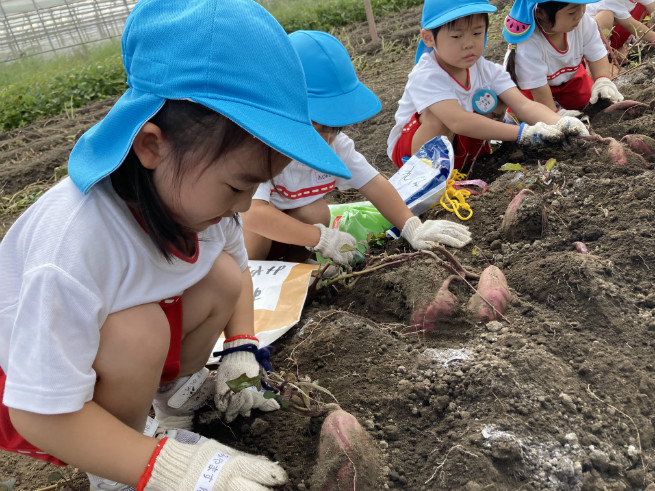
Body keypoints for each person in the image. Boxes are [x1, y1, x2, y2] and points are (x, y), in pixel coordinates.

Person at [0, 0, 354, 490]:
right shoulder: (75, 244)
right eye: (237, 187)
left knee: (224, 279)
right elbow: (37, 412)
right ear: (151, 146)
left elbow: (236, 267)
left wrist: (241, 349)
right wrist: (172, 468)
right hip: (40, 390)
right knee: (138, 332)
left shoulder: (200, 202)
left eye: (256, 187)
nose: (244, 205)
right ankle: (115, 462)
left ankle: (177, 397)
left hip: (109, 343)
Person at [242, 30, 472, 267]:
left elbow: (373, 183)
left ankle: (296, 269)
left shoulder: (334, 145)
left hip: (291, 233)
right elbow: (254, 214)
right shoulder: (261, 149)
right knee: (253, 237)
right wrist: (321, 238)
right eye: (319, 126)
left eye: (335, 128)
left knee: (316, 213)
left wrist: (411, 226)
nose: (328, 138)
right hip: (245, 237)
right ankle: (252, 274)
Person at [387, 0, 589, 171]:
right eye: (457, 36)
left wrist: (560, 123)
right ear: (429, 38)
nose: (468, 44)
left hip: (461, 147)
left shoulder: (486, 70)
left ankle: (472, 164)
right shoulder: (426, 74)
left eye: (476, 33)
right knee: (438, 117)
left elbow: (524, 106)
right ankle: (428, 177)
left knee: (497, 96)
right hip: (414, 153)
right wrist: (522, 134)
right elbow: (458, 122)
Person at [503, 0, 624, 115]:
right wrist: (555, 116)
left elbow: (596, 54)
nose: (580, 15)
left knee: (592, 103)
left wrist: (603, 80)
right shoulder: (527, 44)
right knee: (536, 119)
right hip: (532, 88)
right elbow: (539, 92)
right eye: (572, 12)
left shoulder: (583, 22)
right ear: (540, 13)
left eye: (583, 7)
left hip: (569, 79)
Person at [586, 0, 655, 56]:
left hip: (612, 33)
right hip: (588, 39)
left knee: (640, 7)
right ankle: (599, 62)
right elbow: (631, 25)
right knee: (606, 15)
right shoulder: (611, 2)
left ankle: (617, 51)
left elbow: (652, 6)